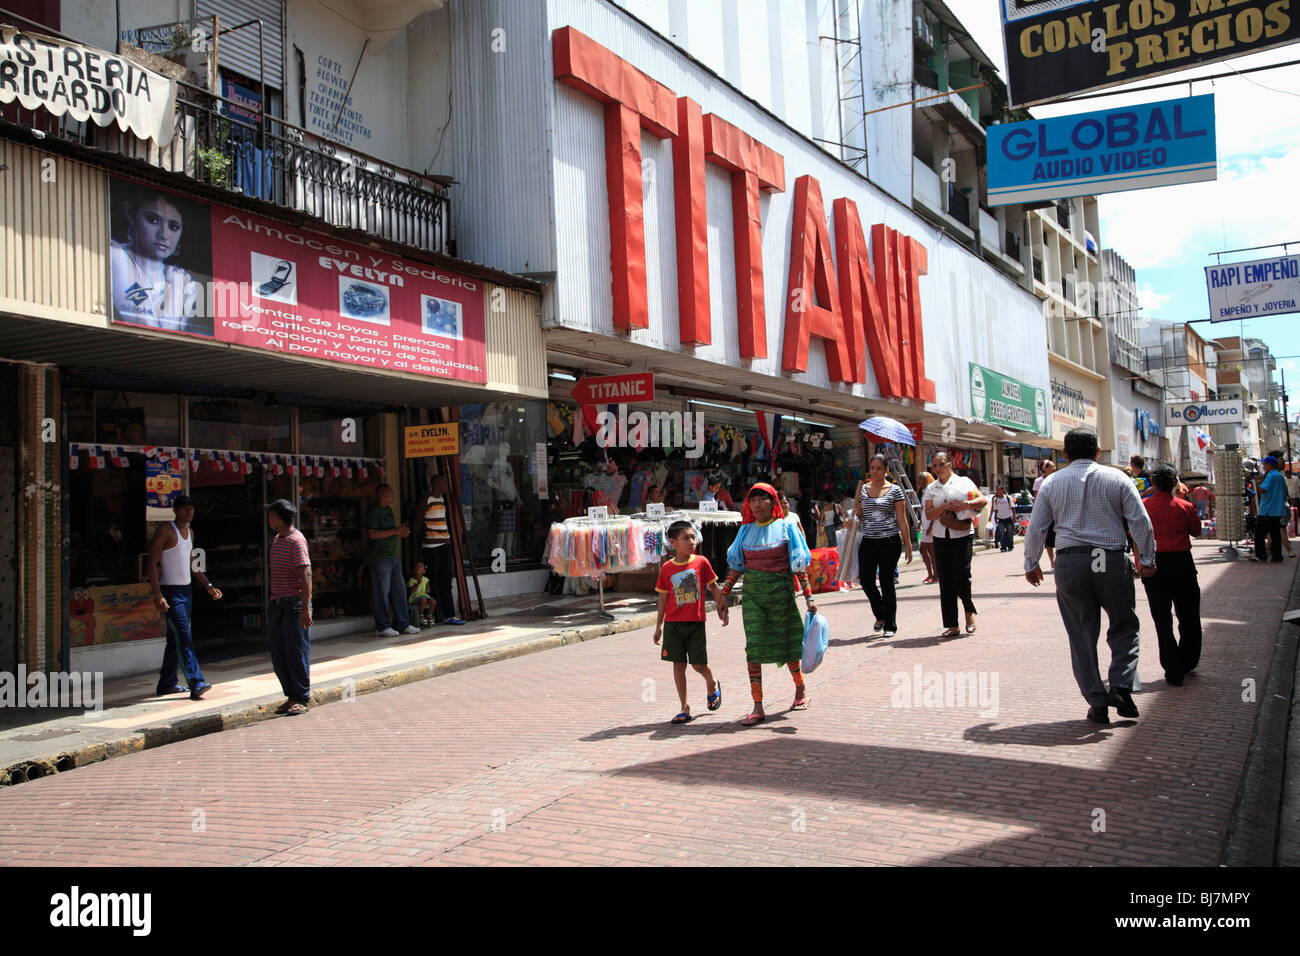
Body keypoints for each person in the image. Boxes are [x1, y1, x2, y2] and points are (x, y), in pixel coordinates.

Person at [1024, 427, 1157, 725]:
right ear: (1098, 452)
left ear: (1065, 455)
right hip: (1110, 559)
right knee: (1124, 625)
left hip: (1071, 563)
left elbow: (1036, 527)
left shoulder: (1051, 483)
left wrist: (1031, 562)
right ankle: (1121, 685)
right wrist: (1147, 558)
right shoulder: (1118, 478)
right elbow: (1140, 521)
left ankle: (1097, 703)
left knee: (1081, 635)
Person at [720, 484, 816, 726]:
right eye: (753, 500)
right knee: (754, 649)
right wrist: (724, 593)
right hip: (753, 599)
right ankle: (758, 705)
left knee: (788, 645)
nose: (757, 505)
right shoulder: (744, 531)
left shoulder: (786, 527)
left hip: (781, 598)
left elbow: (799, 566)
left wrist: (809, 597)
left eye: (763, 499)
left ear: (773, 503)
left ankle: (800, 688)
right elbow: (737, 567)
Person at [652, 520, 729, 724]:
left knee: (698, 664)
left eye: (693, 537)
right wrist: (658, 626)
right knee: (678, 665)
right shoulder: (667, 569)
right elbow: (663, 599)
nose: (691, 541)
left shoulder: (701, 562)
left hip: (695, 623)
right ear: (672, 542)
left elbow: (713, 586)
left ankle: (711, 683)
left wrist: (722, 605)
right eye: (686, 538)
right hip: (673, 625)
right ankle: (684, 707)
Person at [148, 495, 221, 700]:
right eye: (185, 509)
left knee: (175, 639)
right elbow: (152, 563)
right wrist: (157, 593)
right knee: (183, 635)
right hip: (170, 592)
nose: (189, 512)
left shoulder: (190, 533)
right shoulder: (165, 531)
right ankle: (196, 681)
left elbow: (192, 564)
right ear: (176, 510)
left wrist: (207, 584)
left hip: (186, 590)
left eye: (191, 508)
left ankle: (167, 683)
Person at [110, 190, 206, 335]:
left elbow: (170, 334)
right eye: (153, 220)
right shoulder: (116, 254)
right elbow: (145, 323)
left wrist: (176, 287)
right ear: (131, 215)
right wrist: (176, 289)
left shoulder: (184, 280)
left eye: (173, 227)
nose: (163, 235)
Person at [1141, 465, 1204, 687]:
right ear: (1175, 484)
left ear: (1153, 483)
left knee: (1162, 618)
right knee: (1189, 615)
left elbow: (1135, 535)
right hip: (1182, 563)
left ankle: (1172, 666)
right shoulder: (1185, 506)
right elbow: (1196, 531)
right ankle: (1187, 660)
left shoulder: (1144, 507)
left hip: (1155, 564)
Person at [923, 453, 986, 637]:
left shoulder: (963, 482)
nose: (938, 469)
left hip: (962, 534)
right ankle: (951, 624)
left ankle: (969, 612)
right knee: (946, 580)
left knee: (961, 576)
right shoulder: (931, 488)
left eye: (941, 464)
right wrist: (944, 507)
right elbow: (929, 514)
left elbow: (982, 500)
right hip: (941, 536)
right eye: (934, 466)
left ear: (949, 464)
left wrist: (965, 504)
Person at [265, 499, 313, 716]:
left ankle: (301, 697)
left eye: (271, 515)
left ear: (279, 517)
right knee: (279, 652)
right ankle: (291, 694)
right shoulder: (277, 540)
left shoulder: (296, 541)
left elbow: (306, 574)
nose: (269, 519)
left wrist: (305, 607)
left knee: (296, 651)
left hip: (294, 603)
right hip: (277, 603)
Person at [857, 453, 913, 638]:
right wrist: (852, 518)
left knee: (887, 583)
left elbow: (902, 519)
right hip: (868, 541)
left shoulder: (895, 490)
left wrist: (909, 545)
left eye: (879, 468)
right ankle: (880, 613)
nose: (875, 471)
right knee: (866, 581)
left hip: (890, 541)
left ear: (886, 470)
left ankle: (890, 624)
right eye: (872, 468)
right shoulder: (863, 489)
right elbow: (858, 514)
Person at [365, 484, 421, 636]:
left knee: (399, 590)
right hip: (380, 557)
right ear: (384, 495)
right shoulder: (374, 512)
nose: (393, 496)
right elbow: (372, 534)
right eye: (390, 494)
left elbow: (389, 531)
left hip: (393, 556)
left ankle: (403, 623)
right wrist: (395, 531)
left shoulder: (388, 510)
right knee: (382, 591)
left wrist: (399, 531)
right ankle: (382, 626)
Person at [423, 473, 464, 624]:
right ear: (437, 484)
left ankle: (450, 615)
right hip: (431, 546)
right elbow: (418, 522)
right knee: (433, 581)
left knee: (446, 581)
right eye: (444, 484)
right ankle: (435, 615)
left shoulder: (441, 499)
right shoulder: (427, 499)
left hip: (444, 543)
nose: (447, 486)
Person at [1253, 456, 1287, 563]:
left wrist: (1259, 481)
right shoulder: (1280, 476)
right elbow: (1285, 492)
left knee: (1259, 534)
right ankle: (1277, 556)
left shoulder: (1271, 476)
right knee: (1275, 535)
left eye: (1265, 464)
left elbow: (1263, 490)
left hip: (1267, 510)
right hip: (1277, 511)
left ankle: (1261, 555)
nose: (1264, 467)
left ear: (1270, 465)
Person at [1033, 459, 1057, 569]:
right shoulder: (1038, 481)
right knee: (1048, 539)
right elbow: (1036, 498)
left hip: (1057, 512)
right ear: (1045, 469)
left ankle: (1058, 559)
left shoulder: (1057, 478)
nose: (1054, 468)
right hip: (1046, 512)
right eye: (1051, 466)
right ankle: (1052, 561)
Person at [916, 471, 938, 584]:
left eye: (921, 479)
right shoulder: (924, 491)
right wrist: (920, 522)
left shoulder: (931, 491)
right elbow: (924, 509)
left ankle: (936, 575)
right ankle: (930, 574)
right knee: (923, 550)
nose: (918, 481)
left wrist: (931, 525)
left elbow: (934, 508)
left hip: (931, 524)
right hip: (925, 523)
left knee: (931, 551)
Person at [407, 561, 435, 628]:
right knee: (423, 600)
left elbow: (428, 588)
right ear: (414, 570)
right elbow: (411, 590)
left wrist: (427, 590)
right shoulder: (412, 580)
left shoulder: (425, 579)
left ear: (424, 571)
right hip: (415, 597)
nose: (418, 568)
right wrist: (418, 583)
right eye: (417, 566)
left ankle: (429, 615)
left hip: (424, 595)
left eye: (420, 567)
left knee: (433, 602)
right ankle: (421, 615)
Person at [991, 484, 1016, 553]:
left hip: (1008, 518)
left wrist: (1014, 517)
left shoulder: (1008, 498)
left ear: (1002, 490)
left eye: (999, 490)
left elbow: (1013, 508)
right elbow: (995, 510)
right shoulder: (996, 500)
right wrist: (995, 518)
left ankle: (1010, 546)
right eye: (997, 490)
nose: (998, 491)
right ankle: (1003, 547)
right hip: (1001, 519)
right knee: (1001, 533)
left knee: (1009, 533)